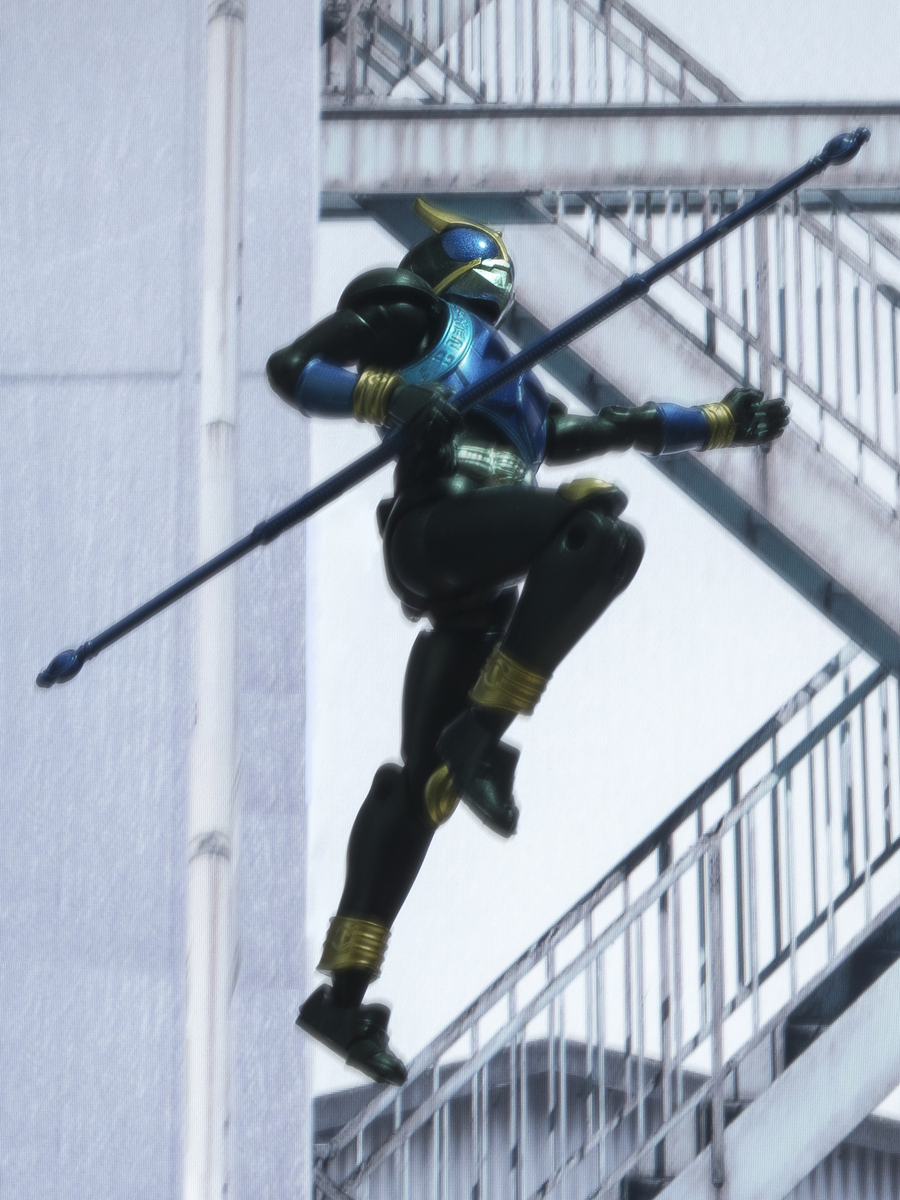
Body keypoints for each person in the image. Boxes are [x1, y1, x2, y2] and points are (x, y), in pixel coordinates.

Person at [265, 198, 789, 1085]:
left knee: (417, 790)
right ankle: (479, 735)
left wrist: (717, 422)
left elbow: (618, 427)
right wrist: (388, 396)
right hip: (435, 532)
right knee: (596, 533)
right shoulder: (417, 320)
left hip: (471, 593)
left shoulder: (520, 390)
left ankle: (343, 997)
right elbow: (293, 368)